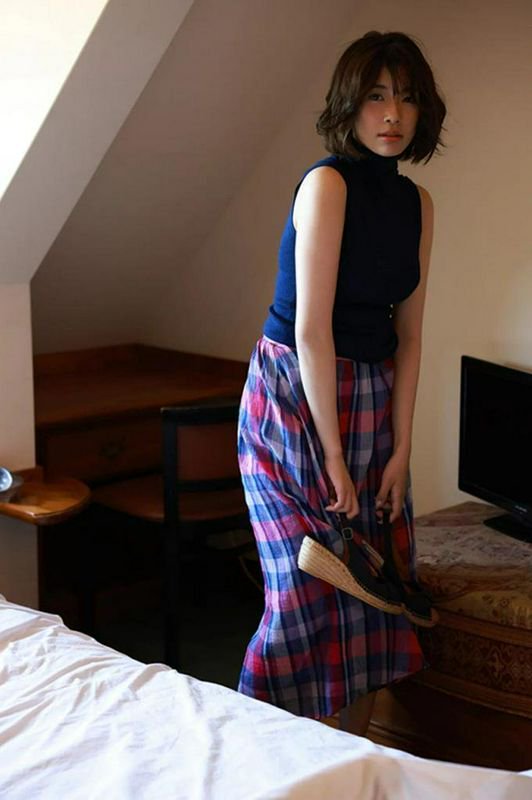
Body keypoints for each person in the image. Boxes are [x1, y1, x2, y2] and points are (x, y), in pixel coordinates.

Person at [237, 31, 446, 735]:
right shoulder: (327, 184)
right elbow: (311, 331)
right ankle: (257, 754)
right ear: (350, 104)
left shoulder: (418, 204)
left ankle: (347, 760)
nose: (393, 114)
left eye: (407, 99)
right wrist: (331, 455)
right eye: (378, 96)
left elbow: (410, 335)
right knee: (302, 593)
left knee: (372, 603)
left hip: (371, 397)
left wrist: (401, 449)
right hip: (294, 398)